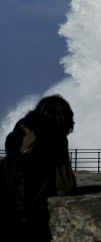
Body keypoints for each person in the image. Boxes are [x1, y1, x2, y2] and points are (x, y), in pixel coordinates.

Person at [3, 94, 77, 241]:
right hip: (30, 208)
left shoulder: (22, 126)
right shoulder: (55, 134)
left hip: (6, 197)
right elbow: (65, 186)